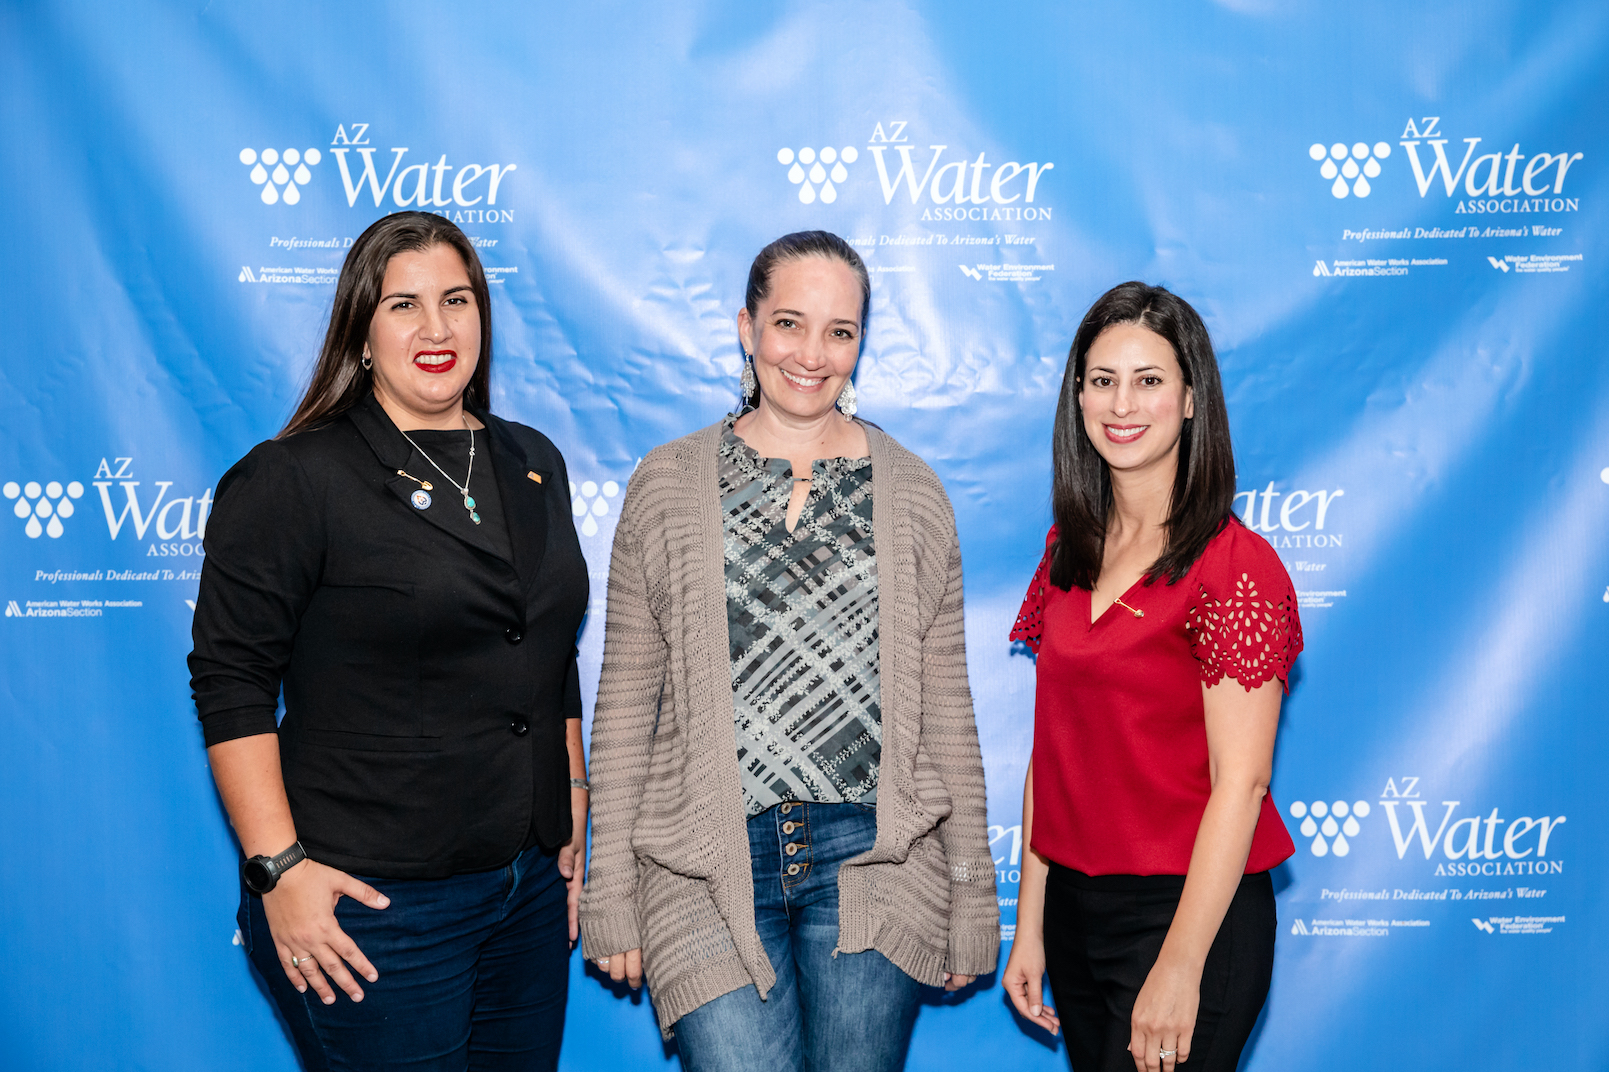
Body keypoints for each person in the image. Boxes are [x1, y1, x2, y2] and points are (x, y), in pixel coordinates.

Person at [579, 230, 998, 1071]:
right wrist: (609, 891)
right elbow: (626, 701)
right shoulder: (665, 482)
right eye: (788, 324)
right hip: (698, 863)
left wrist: (970, 896)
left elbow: (946, 708)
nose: (811, 354)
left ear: (860, 343)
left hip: (873, 859)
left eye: (839, 332)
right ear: (746, 326)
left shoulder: (912, 490)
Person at [189, 212, 589, 1071]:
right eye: (404, 305)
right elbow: (232, 682)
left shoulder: (531, 460)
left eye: (456, 300)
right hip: (373, 907)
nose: (437, 328)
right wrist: (278, 872)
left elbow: (545, 651)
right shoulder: (295, 478)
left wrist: (572, 803)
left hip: (522, 892)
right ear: (361, 331)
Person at [1001, 282, 1301, 1072]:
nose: (1120, 403)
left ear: (1191, 397)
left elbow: (1241, 786)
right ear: (1077, 396)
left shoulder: (1235, 567)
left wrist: (1178, 967)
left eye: (1148, 379)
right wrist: (1028, 923)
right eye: (1101, 380)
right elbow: (1052, 755)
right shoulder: (1067, 547)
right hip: (1074, 908)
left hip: (1188, 916)